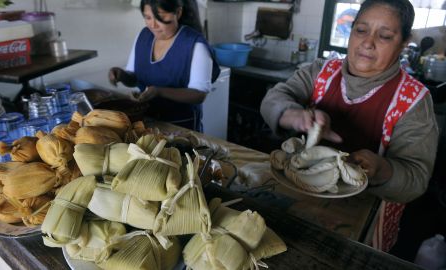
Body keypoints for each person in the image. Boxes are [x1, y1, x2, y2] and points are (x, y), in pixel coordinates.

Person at [260, 0, 439, 252]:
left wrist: (381, 169)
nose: (368, 42)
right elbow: (274, 98)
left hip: (363, 221)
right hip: (299, 198)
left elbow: (416, 178)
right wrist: (294, 115)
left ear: (403, 43)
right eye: (361, 30)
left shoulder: (414, 100)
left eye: (385, 36)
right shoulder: (321, 71)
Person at [108, 0, 220, 132]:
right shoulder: (144, 36)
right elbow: (135, 78)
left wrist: (159, 91)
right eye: (148, 17)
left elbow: (199, 94)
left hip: (181, 128)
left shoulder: (194, 44)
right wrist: (121, 75)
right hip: (146, 124)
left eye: (160, 17)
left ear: (178, 12)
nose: (153, 25)